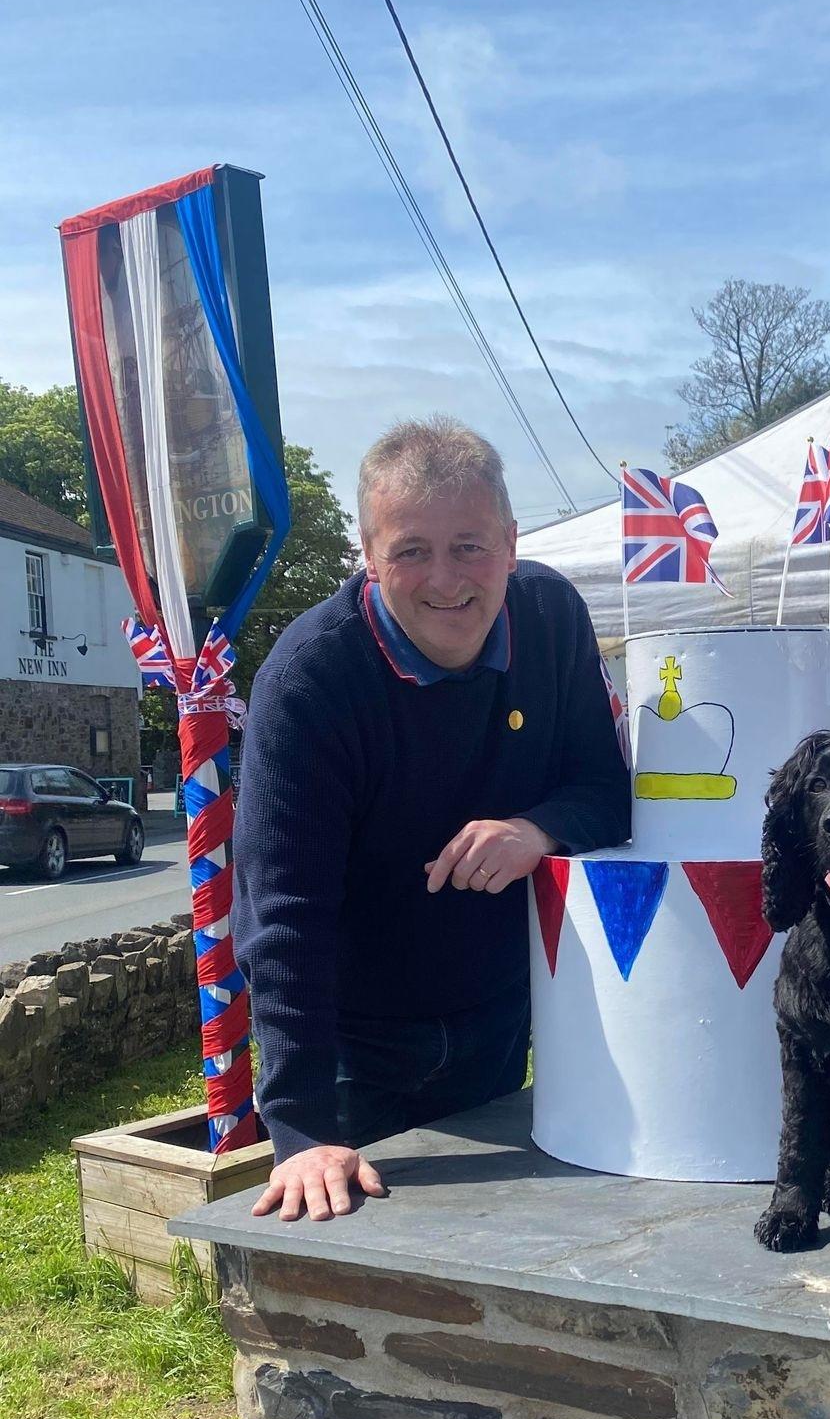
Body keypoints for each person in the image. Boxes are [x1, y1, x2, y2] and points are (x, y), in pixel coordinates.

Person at [233, 417, 630, 1224]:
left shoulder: (553, 618)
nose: (446, 579)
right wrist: (301, 1129)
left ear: (512, 545)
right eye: (411, 549)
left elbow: (607, 788)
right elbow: (284, 918)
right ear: (369, 557)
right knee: (356, 1264)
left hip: (500, 1016)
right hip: (351, 1043)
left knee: (501, 1245)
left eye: (470, 545)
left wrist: (537, 829)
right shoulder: (309, 681)